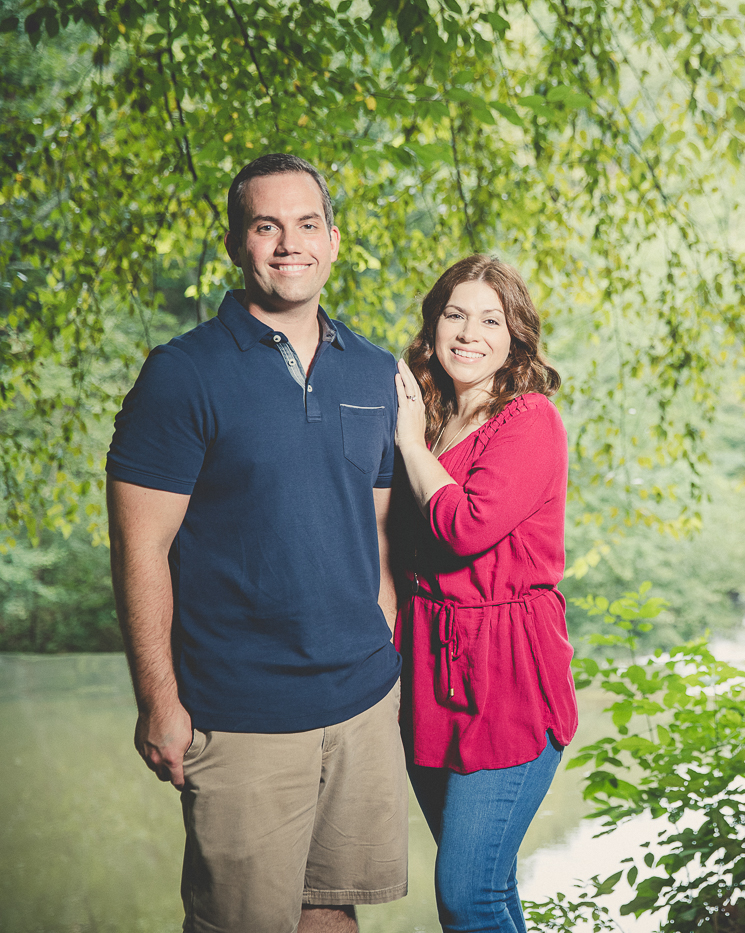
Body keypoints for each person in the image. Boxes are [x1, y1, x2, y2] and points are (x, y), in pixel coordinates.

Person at [106, 153, 408, 933]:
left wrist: (385, 649)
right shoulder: (181, 375)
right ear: (238, 243)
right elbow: (140, 551)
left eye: (307, 225)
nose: (289, 244)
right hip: (240, 718)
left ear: (334, 241)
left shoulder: (376, 372)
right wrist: (158, 702)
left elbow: (376, 534)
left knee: (334, 911)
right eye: (266, 226)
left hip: (362, 707)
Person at [392, 254, 578, 933]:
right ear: (434, 325)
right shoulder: (431, 416)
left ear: (515, 336)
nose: (470, 333)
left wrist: (410, 447)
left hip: (509, 678)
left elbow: (465, 526)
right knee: (489, 889)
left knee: (466, 896)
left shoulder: (528, 420)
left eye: (490, 319)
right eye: (456, 314)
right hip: (429, 676)